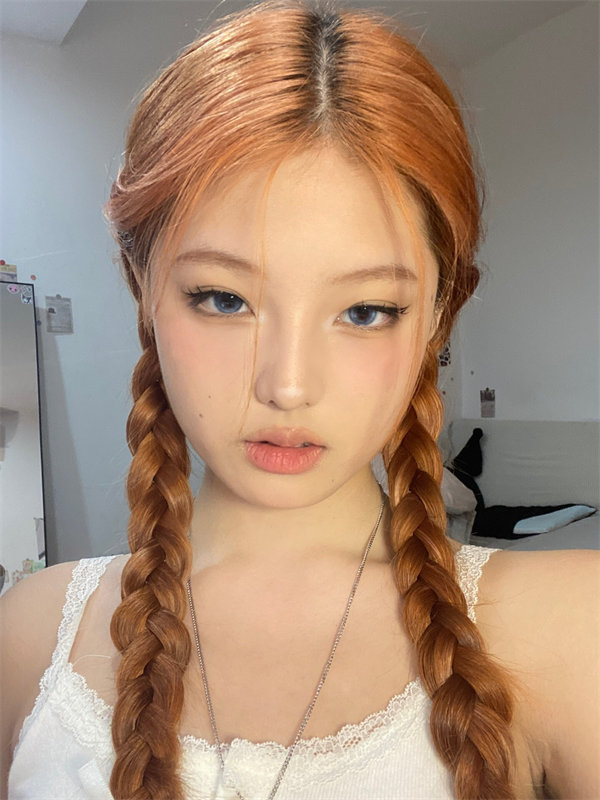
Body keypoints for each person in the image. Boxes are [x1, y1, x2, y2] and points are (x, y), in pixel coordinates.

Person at [1, 3, 598, 799]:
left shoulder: (571, 627)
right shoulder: (32, 634)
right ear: (141, 286)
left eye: (365, 311)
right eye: (223, 299)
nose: (287, 385)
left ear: (438, 315)